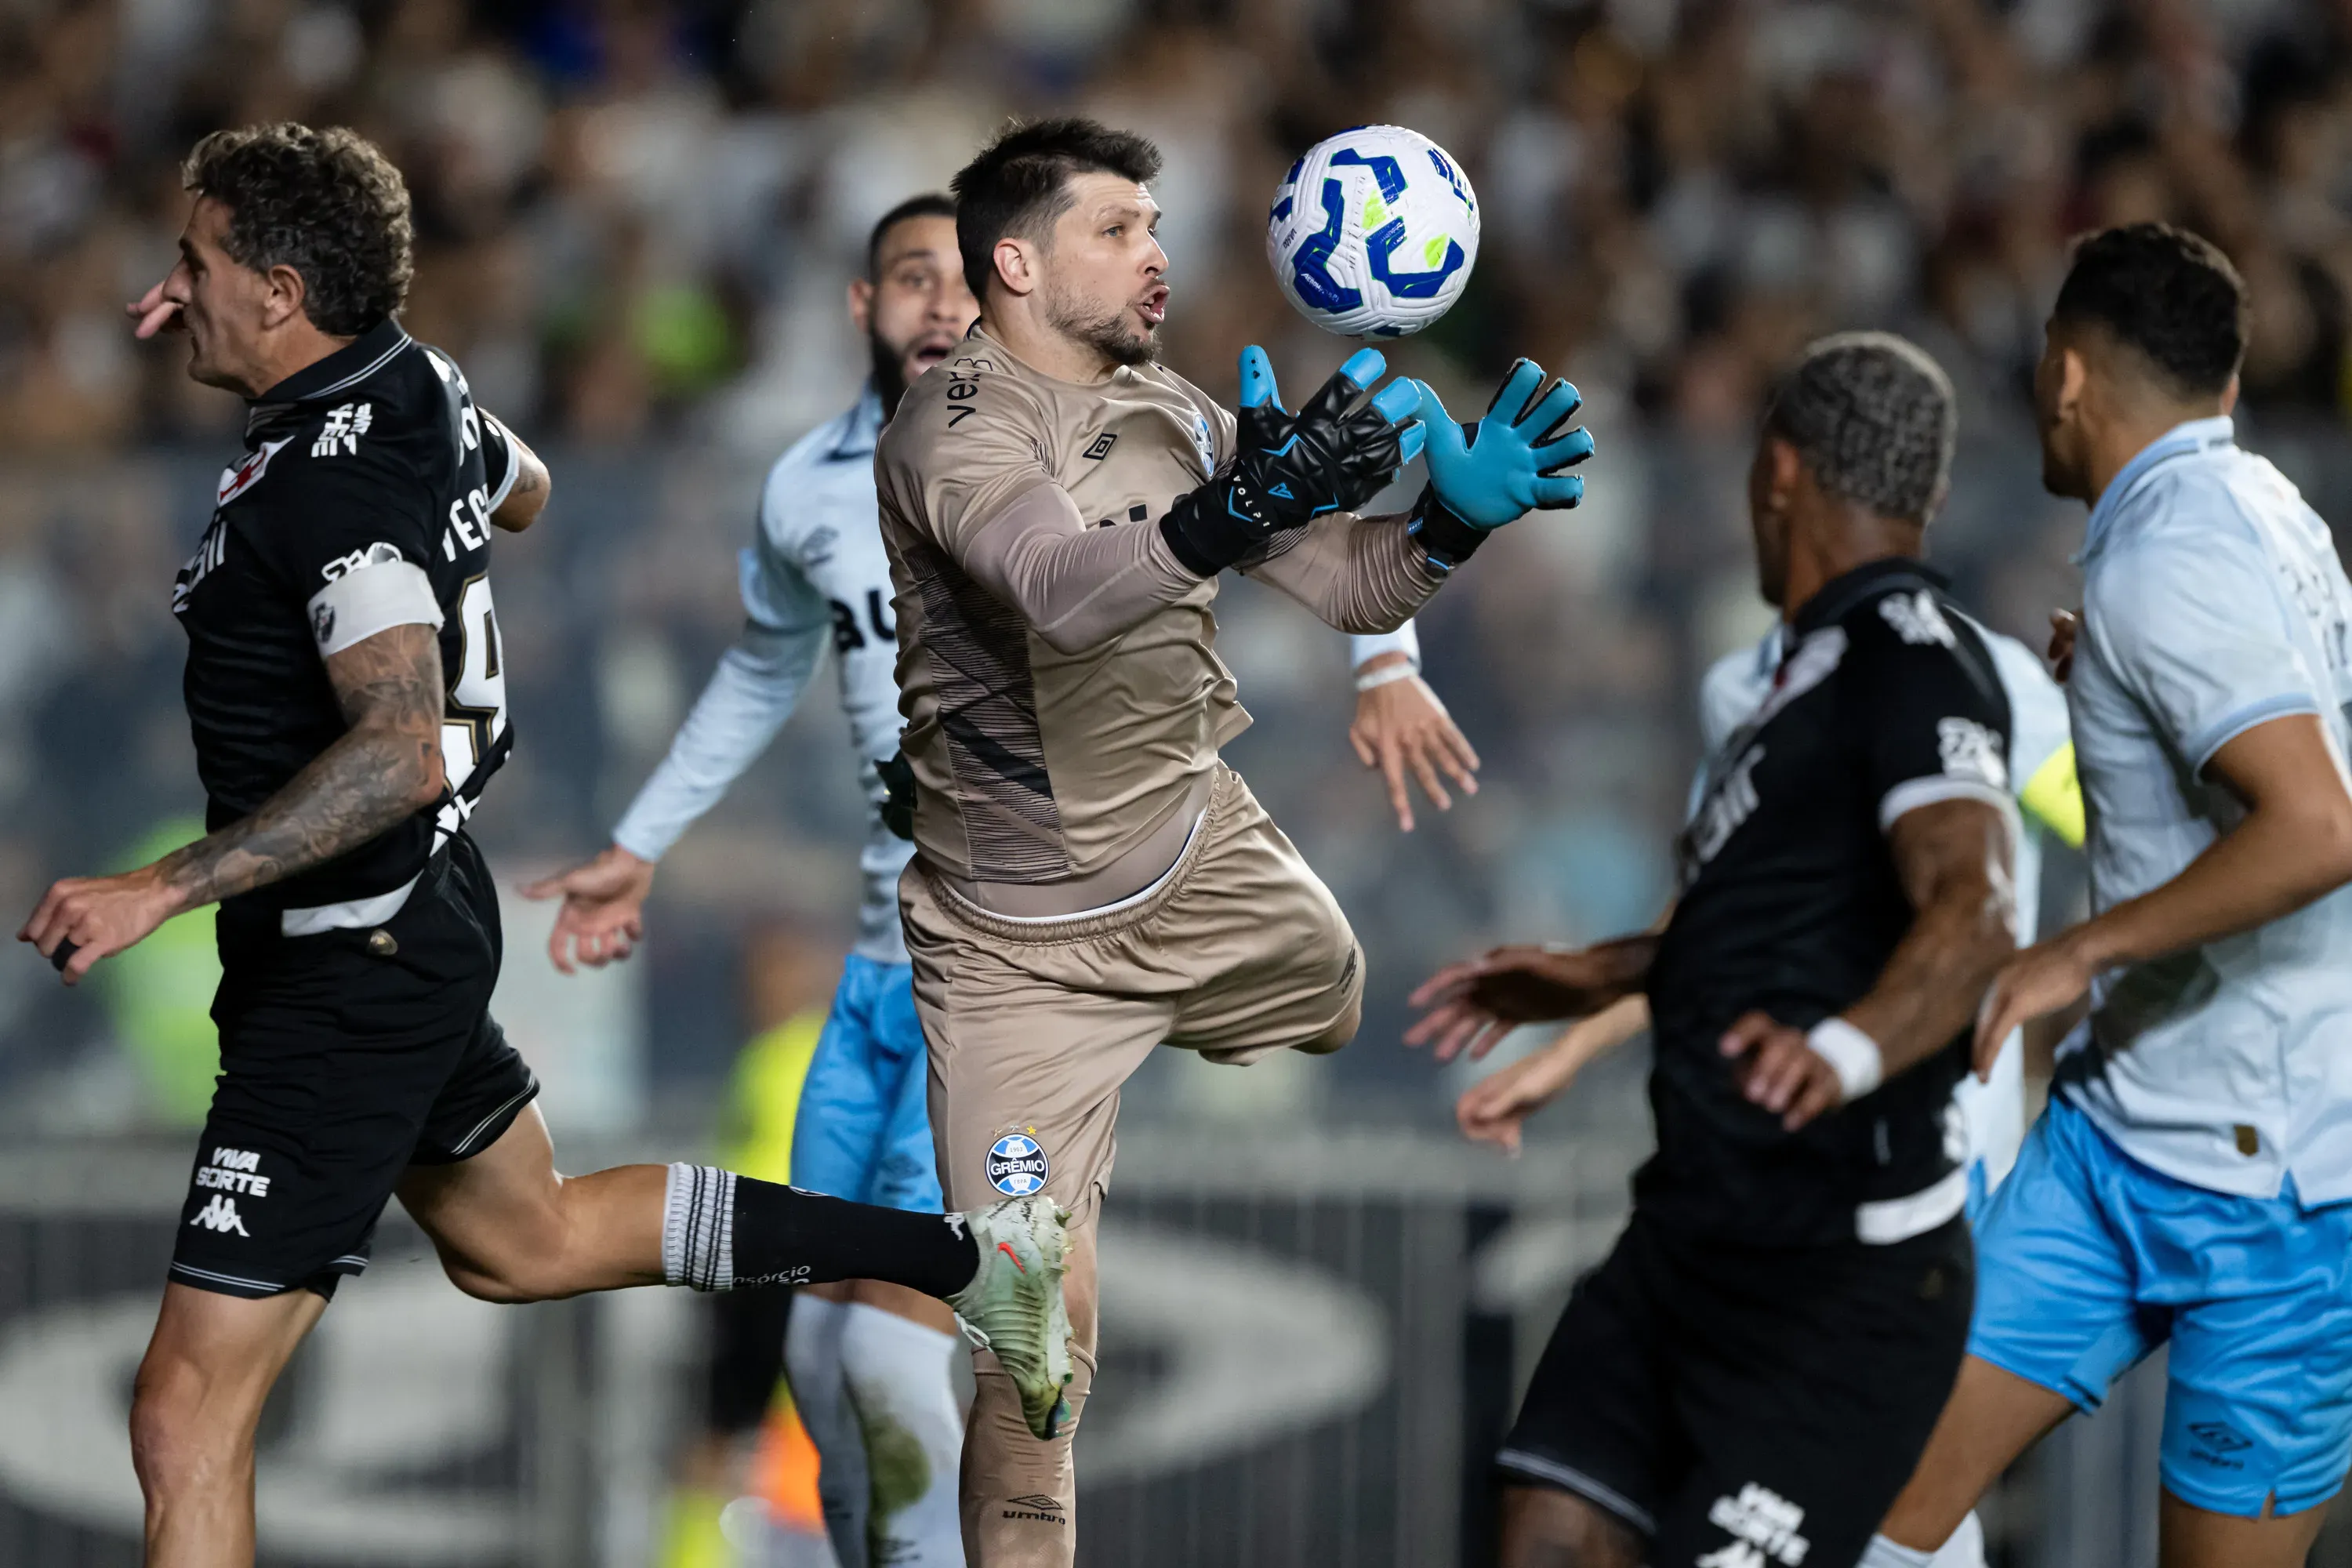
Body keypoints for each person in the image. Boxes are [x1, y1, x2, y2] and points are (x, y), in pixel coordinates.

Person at [12, 122, 1065, 1568]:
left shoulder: (330, 492)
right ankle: (970, 1259)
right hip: (415, 923)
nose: (170, 287)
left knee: (184, 1417)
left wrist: (160, 887)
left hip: (343, 961)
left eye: (195, 265)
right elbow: (528, 489)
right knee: (532, 1242)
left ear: (279, 287)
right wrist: (254, 356)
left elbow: (394, 740)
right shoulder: (413, 381)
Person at [524, 187, 1481, 1568]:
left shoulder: (1073, 450)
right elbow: (762, 671)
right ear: (862, 308)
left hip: (986, 959)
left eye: (957, 281)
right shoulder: (807, 490)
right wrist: (644, 842)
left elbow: (1252, 549)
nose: (937, 305)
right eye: (906, 278)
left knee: (936, 1343)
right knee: (825, 1357)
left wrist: (1386, 656)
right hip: (854, 978)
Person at [877, 117, 1591, 1563]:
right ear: (1014, 262)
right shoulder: (952, 428)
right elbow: (1059, 590)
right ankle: (1061, 1157)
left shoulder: (1186, 413)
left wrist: (1448, 526)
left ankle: (1130, 1069)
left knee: (1337, 993)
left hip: (1202, 857)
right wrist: (1231, 513)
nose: (1159, 254)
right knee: (1030, 1357)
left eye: (1157, 223)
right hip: (1016, 960)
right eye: (1119, 229)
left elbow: (1350, 589)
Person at [1408, 333, 2020, 1568]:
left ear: (1779, 471)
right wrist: (1602, 974)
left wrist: (1844, 1055)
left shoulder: (1912, 663)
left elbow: (1974, 908)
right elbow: (1775, 920)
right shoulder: (1792, 682)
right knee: (1539, 1537)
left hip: (1837, 1290)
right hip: (1689, 1245)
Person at [1867, 227, 2352, 1568]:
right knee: (1876, 1490)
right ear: (2229, 389)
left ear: (2068, 377)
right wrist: (2126, 683)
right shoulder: (2265, 513)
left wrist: (2077, 950)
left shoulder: (2167, 563)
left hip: (2287, 1198)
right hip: (2116, 1143)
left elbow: (2318, 824)